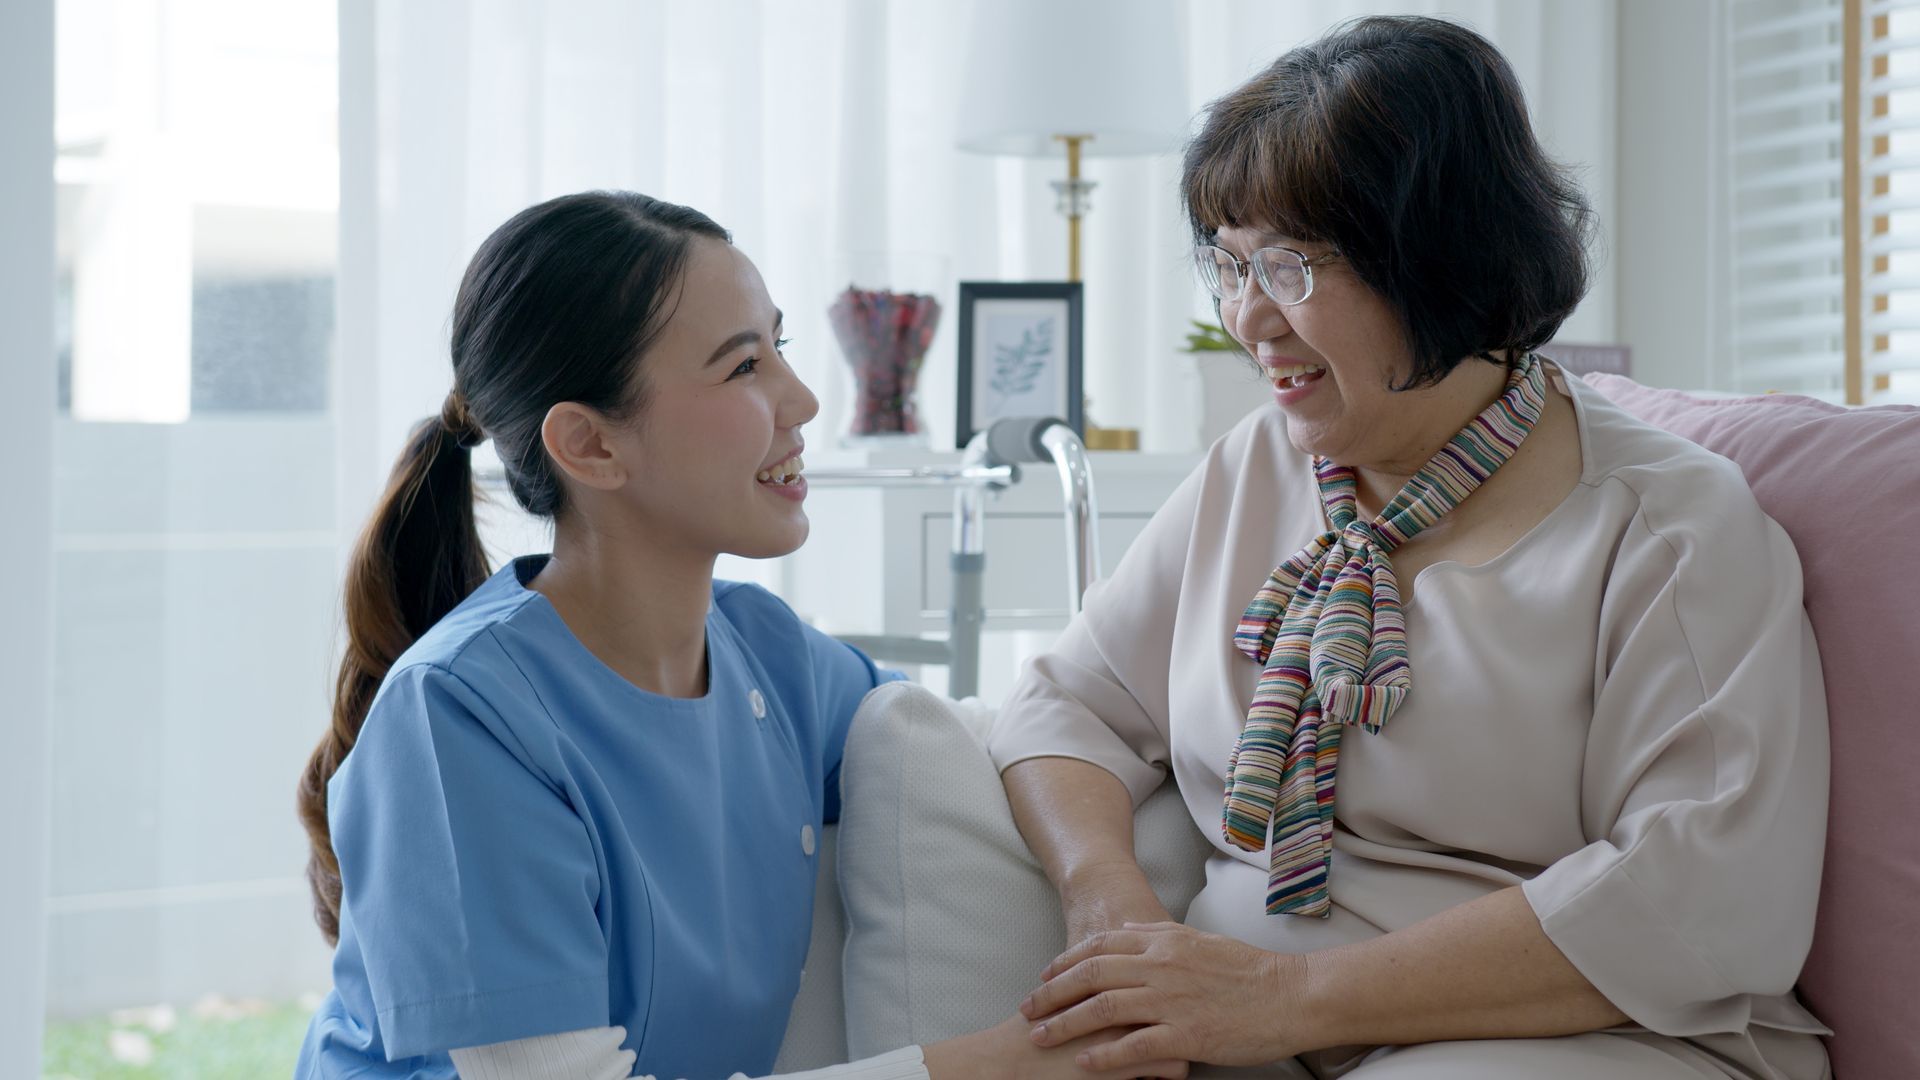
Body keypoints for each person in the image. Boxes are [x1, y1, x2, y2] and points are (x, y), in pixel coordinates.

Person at [988, 17, 1831, 1080]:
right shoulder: (1258, 468)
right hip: (1253, 1033)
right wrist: (1111, 914)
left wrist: (1286, 1000)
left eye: (1291, 265)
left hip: (1580, 1041)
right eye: (1231, 263)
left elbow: (1699, 894)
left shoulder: (1664, 528)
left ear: (1439, 259)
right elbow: (1069, 703)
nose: (1250, 319)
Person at [292, 192, 1187, 1080]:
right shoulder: (459, 715)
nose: (799, 399)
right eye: (742, 367)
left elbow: (982, 742)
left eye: (780, 347)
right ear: (591, 446)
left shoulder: (770, 653)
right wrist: (1023, 1057)